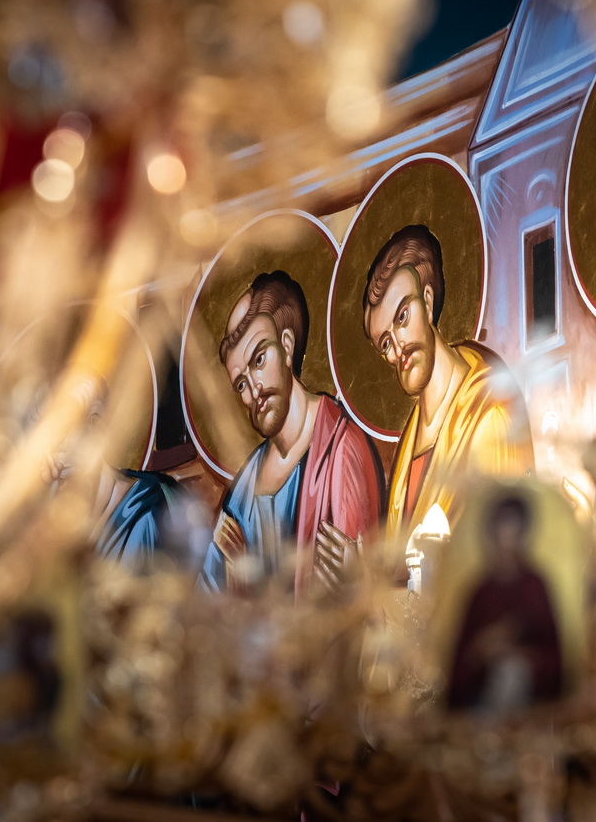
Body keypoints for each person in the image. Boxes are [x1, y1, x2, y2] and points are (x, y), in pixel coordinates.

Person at [201, 271, 385, 594]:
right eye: (241, 384)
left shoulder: (341, 449)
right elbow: (210, 588)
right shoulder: (244, 491)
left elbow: (351, 592)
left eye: (259, 360)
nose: (253, 391)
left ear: (286, 346)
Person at [361, 226, 533, 541]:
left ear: (427, 302)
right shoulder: (412, 434)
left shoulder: (490, 411)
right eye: (385, 343)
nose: (398, 348)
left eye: (402, 317)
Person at [446, 494, 562, 711]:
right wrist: (483, 648)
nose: (506, 541)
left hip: (531, 703)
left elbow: (557, 660)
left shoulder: (535, 586)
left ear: (523, 534)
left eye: (513, 531)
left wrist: (521, 655)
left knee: (511, 671)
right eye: (501, 530)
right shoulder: (480, 592)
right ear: (491, 534)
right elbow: (457, 669)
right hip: (482, 705)